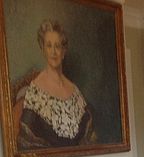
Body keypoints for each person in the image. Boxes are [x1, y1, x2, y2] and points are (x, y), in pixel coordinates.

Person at [16, 19, 95, 149]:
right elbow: (27, 144)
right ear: (43, 49)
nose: (53, 52)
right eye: (49, 46)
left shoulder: (75, 91)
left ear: (63, 51)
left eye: (57, 46)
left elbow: (88, 140)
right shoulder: (35, 91)